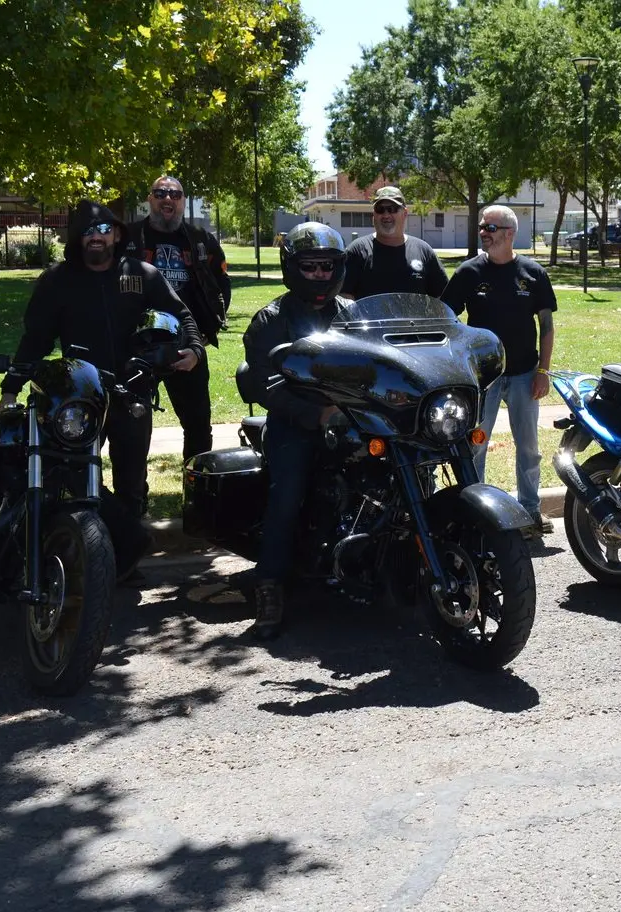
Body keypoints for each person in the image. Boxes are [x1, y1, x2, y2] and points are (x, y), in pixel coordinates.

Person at [0, 199, 205, 575]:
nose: (97, 237)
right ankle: (94, 546)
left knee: (131, 481)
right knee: (70, 473)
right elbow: (35, 340)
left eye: (104, 230)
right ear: (76, 237)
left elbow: (182, 314)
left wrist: (193, 348)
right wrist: (10, 389)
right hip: (75, 396)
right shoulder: (57, 281)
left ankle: (125, 560)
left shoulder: (142, 274)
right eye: (89, 231)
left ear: (117, 235)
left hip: (131, 392)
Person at [240, 222, 353, 641]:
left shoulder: (351, 313)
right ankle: (269, 585)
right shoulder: (272, 318)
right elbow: (263, 384)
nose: (321, 274)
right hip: (293, 423)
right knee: (288, 493)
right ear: (293, 269)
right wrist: (316, 414)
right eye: (310, 267)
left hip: (350, 420)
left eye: (328, 266)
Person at [441, 204, 557, 538]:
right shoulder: (468, 273)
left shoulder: (533, 273)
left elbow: (546, 326)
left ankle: (531, 512)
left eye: (489, 228)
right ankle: (475, 516)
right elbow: (447, 320)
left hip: (524, 374)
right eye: (481, 227)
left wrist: (543, 372)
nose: (483, 233)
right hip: (482, 378)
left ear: (509, 233)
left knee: (528, 446)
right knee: (476, 445)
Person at [124, 175, 232, 461]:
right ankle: (134, 499)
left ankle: (196, 490)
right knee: (131, 424)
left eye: (175, 194)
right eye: (160, 193)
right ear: (150, 199)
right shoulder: (128, 238)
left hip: (187, 346)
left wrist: (207, 334)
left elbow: (221, 284)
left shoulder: (200, 241)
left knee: (198, 425)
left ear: (183, 201)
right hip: (137, 347)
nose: (167, 199)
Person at [341, 186, 448, 300]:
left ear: (405, 213)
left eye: (392, 209)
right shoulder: (356, 251)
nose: (386, 215)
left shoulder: (424, 251)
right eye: (380, 209)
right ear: (374, 215)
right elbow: (344, 297)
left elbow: (442, 297)